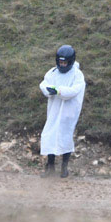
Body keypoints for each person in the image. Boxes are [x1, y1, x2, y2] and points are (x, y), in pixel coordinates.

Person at [38, 44, 85, 177]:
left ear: (70, 61)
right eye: (60, 62)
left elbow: (74, 90)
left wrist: (59, 91)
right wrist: (49, 90)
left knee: (65, 136)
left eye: (65, 62)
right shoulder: (53, 72)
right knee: (50, 134)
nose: (62, 65)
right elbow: (44, 84)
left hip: (69, 111)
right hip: (54, 108)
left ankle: (64, 167)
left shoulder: (77, 75)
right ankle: (50, 167)